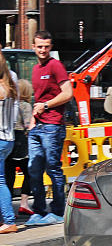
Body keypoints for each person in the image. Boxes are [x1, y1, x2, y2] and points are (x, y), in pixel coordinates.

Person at [25, 30, 73, 226]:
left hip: (53, 125)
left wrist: (46, 106)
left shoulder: (56, 66)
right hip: (38, 125)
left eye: (46, 46)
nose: (43, 50)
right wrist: (33, 119)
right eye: (39, 46)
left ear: (51, 47)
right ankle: (38, 211)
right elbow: (37, 98)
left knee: (53, 168)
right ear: (34, 47)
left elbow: (68, 93)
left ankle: (58, 211)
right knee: (33, 169)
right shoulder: (36, 69)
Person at [6, 79, 35, 216]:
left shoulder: (10, 105)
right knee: (29, 173)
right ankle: (24, 204)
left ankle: (8, 208)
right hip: (22, 142)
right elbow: (29, 125)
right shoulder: (25, 106)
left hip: (10, 140)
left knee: (8, 176)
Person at [0, 51, 19, 233]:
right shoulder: (12, 77)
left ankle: (9, 220)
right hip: (9, 138)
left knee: (0, 181)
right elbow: (16, 107)